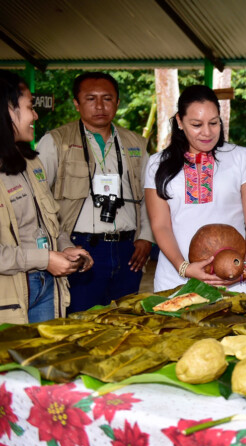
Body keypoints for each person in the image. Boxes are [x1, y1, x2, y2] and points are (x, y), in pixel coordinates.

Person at [37, 72, 152, 313]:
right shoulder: (55, 142)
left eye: (107, 98)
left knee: (126, 321)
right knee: (81, 322)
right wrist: (61, 245)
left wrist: (146, 237)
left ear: (118, 103)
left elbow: (149, 195)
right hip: (81, 248)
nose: (100, 106)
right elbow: (39, 201)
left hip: (128, 249)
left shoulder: (135, 144)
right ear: (77, 103)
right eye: (91, 98)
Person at [145, 85, 246, 296]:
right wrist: (184, 267)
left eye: (214, 123)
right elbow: (161, 225)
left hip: (235, 281)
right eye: (196, 124)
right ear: (180, 122)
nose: (207, 132)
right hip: (176, 280)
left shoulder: (241, 157)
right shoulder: (157, 164)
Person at [0, 70, 92, 324]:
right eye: (30, 107)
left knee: (44, 361)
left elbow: (50, 223)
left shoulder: (32, 162)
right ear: (7, 110)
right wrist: (45, 259)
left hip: (47, 285)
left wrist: (65, 247)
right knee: (14, 364)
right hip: (11, 291)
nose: (35, 115)